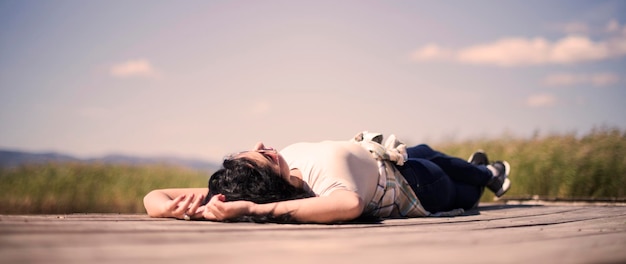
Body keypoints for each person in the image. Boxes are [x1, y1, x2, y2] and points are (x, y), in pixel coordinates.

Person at [143, 132, 511, 223]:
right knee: (461, 190)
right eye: (264, 155)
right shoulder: (320, 188)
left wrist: (169, 210)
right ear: (266, 182)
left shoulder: (262, 183)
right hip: (415, 184)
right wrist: (252, 208)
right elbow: (350, 204)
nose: (263, 143)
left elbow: (154, 194)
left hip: (385, 153)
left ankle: (486, 171)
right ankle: (486, 176)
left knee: (429, 150)